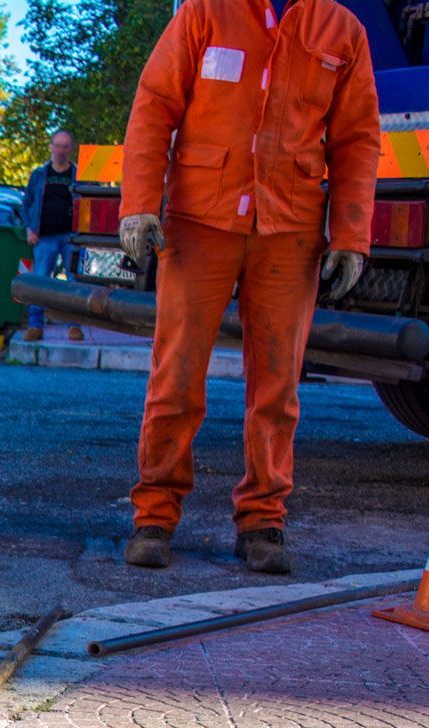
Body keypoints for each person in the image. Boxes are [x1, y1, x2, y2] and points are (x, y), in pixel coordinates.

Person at [117, 0, 379, 574]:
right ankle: (154, 517)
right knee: (176, 376)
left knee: (277, 388)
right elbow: (154, 106)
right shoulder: (204, 13)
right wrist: (139, 205)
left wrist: (351, 234)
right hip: (200, 222)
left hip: (291, 230)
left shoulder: (340, 29)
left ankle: (263, 521)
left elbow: (357, 139)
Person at [19, 129, 85, 342]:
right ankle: (35, 326)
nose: (61, 151)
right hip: (44, 237)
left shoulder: (78, 175)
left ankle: (75, 327)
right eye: (57, 145)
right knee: (39, 282)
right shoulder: (39, 175)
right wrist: (30, 229)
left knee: (74, 282)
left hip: (71, 238)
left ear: (70, 149)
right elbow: (26, 203)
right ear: (51, 147)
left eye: (65, 146)